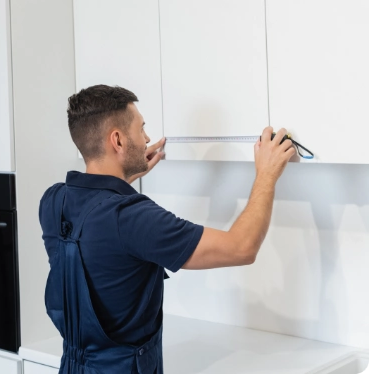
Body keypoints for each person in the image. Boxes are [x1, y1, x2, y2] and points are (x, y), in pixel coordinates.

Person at [39, 84, 297, 374]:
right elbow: (242, 247)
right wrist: (267, 173)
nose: (147, 138)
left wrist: (125, 175)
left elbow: (100, 224)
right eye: (141, 129)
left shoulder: (54, 200)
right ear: (118, 141)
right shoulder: (132, 218)